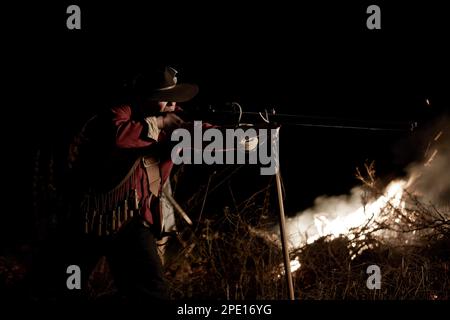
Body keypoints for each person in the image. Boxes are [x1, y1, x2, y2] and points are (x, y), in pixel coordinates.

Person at [68, 66, 198, 301]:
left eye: (173, 100)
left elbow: (203, 135)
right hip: (87, 219)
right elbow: (117, 136)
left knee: (150, 293)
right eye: (165, 100)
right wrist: (158, 123)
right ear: (146, 99)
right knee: (64, 285)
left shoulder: (173, 124)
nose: (173, 106)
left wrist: (245, 137)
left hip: (131, 222)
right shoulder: (120, 113)